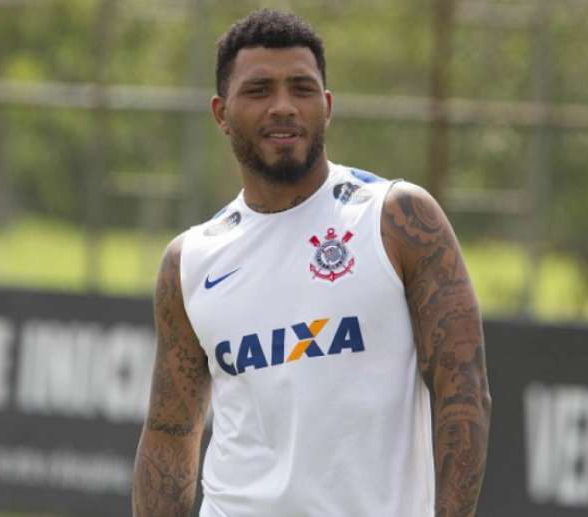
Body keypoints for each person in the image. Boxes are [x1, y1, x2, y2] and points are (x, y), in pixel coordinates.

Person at [133, 9, 491, 517]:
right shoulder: (189, 260)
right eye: (259, 91)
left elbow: (465, 390)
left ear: (326, 105)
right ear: (220, 113)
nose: (283, 107)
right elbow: (171, 430)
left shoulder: (397, 219)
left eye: (301, 89)